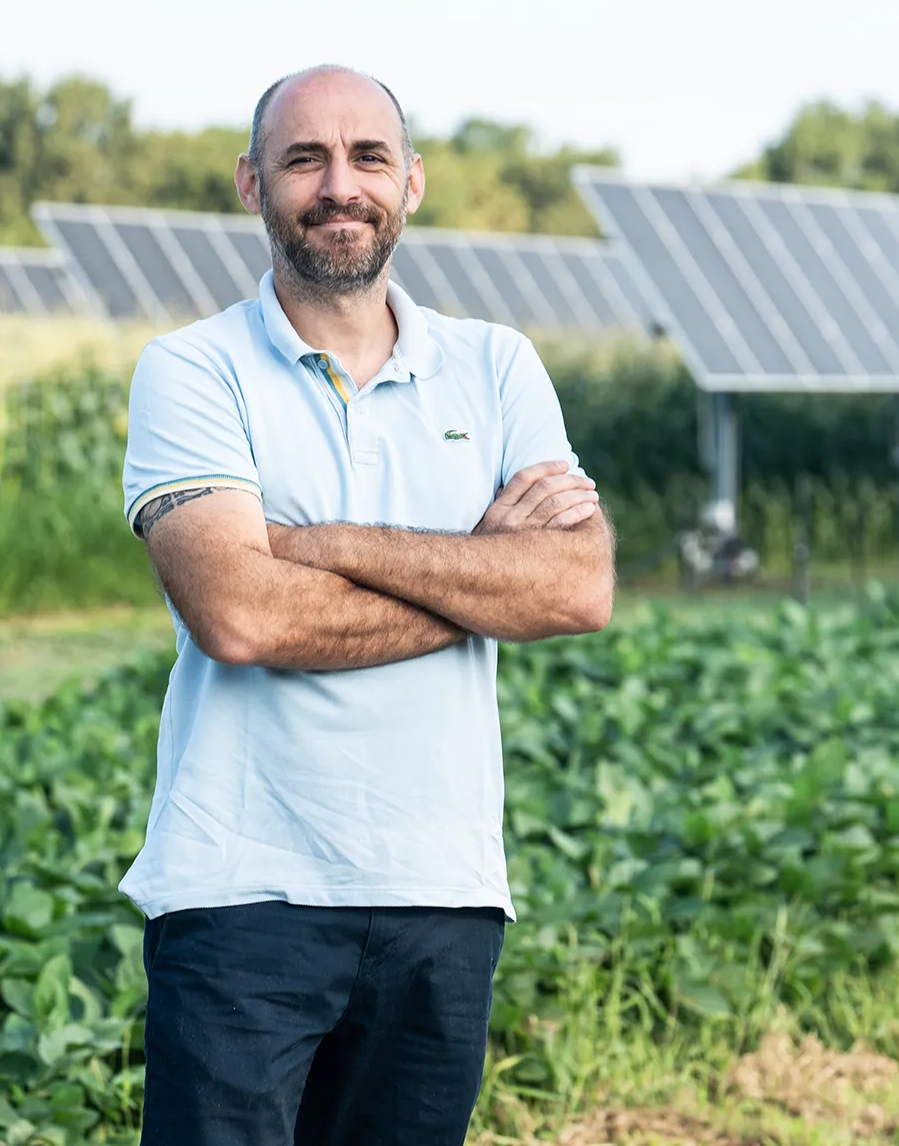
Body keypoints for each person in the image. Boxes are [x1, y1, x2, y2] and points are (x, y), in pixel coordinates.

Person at [120, 64, 615, 1146]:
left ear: (413, 183)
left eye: (368, 157)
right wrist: (483, 578)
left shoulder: (495, 368)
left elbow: (576, 584)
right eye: (305, 158)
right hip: (242, 893)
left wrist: (325, 548)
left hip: (443, 893)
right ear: (253, 185)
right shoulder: (193, 371)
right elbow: (241, 617)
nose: (339, 184)